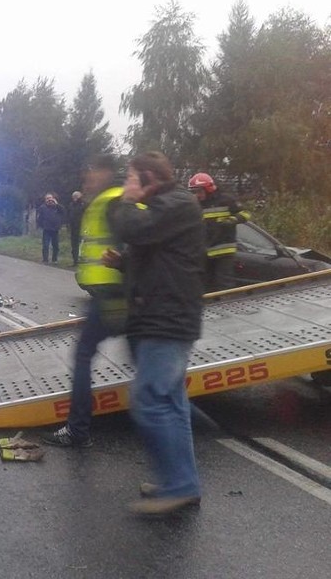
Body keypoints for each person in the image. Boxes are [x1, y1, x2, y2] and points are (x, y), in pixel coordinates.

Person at [107, 151, 206, 515]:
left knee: (149, 400)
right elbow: (156, 254)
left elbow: (132, 228)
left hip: (167, 320)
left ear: (148, 178)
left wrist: (126, 200)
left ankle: (180, 485)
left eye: (131, 178)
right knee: (172, 404)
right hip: (165, 316)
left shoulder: (177, 205)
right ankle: (182, 484)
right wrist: (124, 263)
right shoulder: (169, 208)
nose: (127, 185)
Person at [43, 155, 124, 448]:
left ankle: (78, 430)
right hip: (111, 296)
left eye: (91, 174)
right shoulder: (106, 200)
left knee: (83, 354)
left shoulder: (114, 202)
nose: (86, 180)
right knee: (147, 370)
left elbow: (137, 246)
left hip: (114, 298)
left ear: (105, 174)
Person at [188, 172, 251, 292]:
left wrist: (231, 220)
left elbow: (245, 213)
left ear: (208, 188)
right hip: (205, 251)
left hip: (224, 250)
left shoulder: (226, 200)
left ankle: (226, 307)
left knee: (224, 284)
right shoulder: (196, 205)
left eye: (199, 191)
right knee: (205, 284)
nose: (197, 195)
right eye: (194, 192)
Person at [36, 193, 65, 263]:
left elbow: (63, 211)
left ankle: (54, 259)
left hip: (55, 229)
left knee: (56, 245)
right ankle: (45, 259)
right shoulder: (42, 207)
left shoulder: (57, 207)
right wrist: (41, 225)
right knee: (45, 245)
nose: (49, 200)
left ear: (53, 199)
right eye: (47, 198)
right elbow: (39, 218)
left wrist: (56, 204)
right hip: (46, 229)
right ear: (45, 200)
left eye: (50, 198)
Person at [66, 190, 86, 266]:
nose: (75, 198)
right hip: (73, 228)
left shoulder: (83, 205)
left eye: (76, 196)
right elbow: (69, 215)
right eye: (73, 196)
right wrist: (68, 225)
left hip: (82, 227)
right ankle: (75, 261)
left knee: (82, 245)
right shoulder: (71, 205)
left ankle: (82, 261)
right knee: (74, 245)